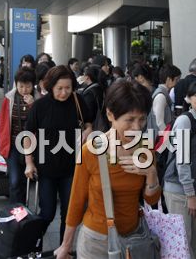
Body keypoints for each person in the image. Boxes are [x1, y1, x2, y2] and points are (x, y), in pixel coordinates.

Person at [54, 80, 161, 259]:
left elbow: (151, 199)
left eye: (142, 119)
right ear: (110, 115)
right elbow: (76, 201)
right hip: (96, 242)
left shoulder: (146, 149)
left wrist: (151, 174)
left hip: (134, 239)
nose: (137, 127)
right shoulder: (90, 151)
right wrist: (66, 245)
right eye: (130, 120)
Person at [24, 65, 93, 243]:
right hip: (46, 167)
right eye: (60, 88)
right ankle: (32, 241)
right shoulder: (40, 106)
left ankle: (65, 249)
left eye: (68, 88)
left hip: (72, 167)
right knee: (47, 212)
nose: (64, 93)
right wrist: (29, 163)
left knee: (69, 213)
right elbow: (28, 135)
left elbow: (88, 123)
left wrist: (88, 130)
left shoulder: (77, 101)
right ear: (51, 86)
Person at [163, 80, 196, 259]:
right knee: (183, 242)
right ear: (188, 98)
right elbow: (182, 161)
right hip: (179, 189)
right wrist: (190, 195)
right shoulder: (184, 121)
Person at [0, 68, 36, 203]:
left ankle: (22, 209)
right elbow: (2, 123)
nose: (24, 89)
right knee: (14, 180)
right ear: (16, 84)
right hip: (12, 146)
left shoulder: (38, 100)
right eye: (21, 86)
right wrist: (2, 144)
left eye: (28, 86)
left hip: (32, 147)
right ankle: (15, 211)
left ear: (33, 85)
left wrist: (33, 105)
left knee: (25, 179)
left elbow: (41, 121)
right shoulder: (9, 99)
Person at [80, 64, 106, 132]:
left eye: (84, 74)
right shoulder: (99, 88)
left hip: (94, 127)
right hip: (101, 123)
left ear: (87, 77)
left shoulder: (90, 93)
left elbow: (89, 113)